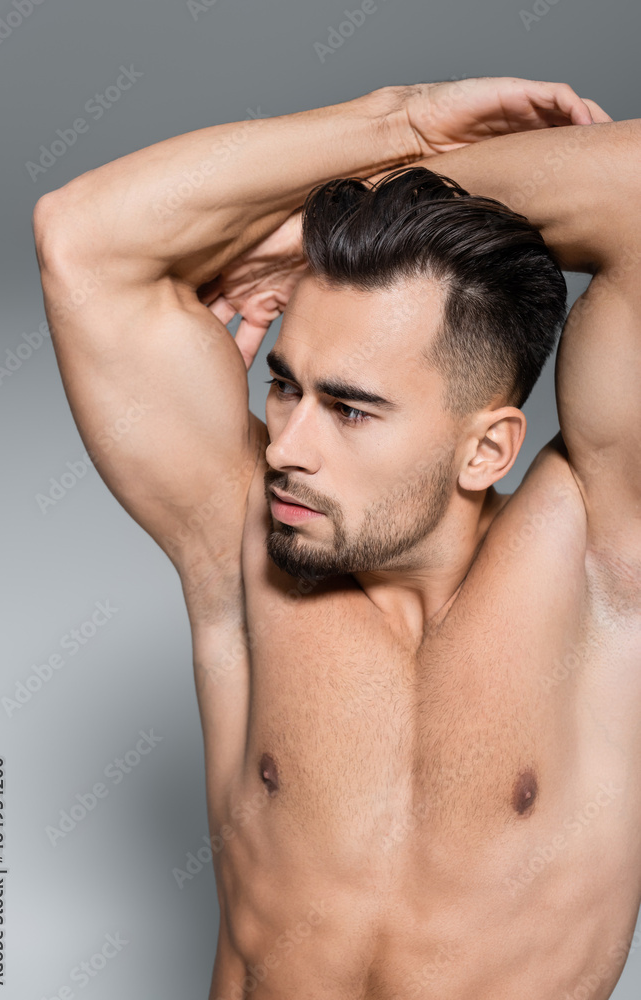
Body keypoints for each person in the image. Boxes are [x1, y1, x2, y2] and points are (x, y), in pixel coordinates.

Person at [32, 76, 641, 999]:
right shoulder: (241, 540)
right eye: (284, 384)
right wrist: (394, 119)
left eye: (349, 409)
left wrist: (325, 220)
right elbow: (83, 236)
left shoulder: (600, 556)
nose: (284, 444)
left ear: (486, 449)